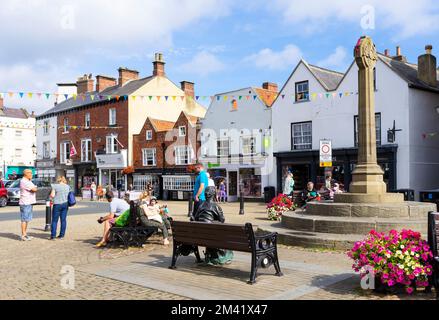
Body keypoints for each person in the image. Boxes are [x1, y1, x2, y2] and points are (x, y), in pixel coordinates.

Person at [192, 186, 233, 265]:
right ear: (213, 194)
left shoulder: (201, 205)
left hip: (199, 236)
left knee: (212, 233)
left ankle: (211, 256)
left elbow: (195, 218)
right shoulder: (216, 206)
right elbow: (222, 220)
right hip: (211, 236)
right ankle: (220, 257)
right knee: (223, 235)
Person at [19, 169, 38, 241]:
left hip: (29, 202)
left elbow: (34, 188)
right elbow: (34, 189)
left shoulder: (28, 181)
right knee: (24, 219)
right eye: (30, 173)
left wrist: (34, 188)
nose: (31, 175)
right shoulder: (24, 181)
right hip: (25, 202)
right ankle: (23, 235)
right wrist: (34, 188)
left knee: (27, 219)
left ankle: (25, 234)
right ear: (26, 174)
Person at [49, 176, 70, 240]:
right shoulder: (67, 186)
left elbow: (52, 195)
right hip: (65, 204)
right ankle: (61, 235)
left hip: (57, 204)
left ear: (58, 180)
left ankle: (53, 236)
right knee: (63, 220)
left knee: (54, 221)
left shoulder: (55, 186)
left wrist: (50, 198)